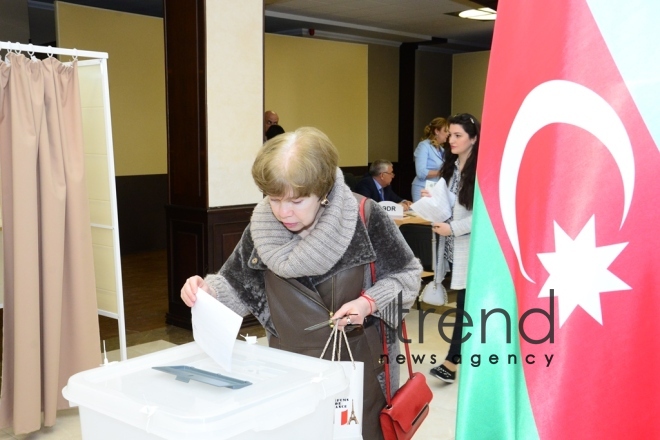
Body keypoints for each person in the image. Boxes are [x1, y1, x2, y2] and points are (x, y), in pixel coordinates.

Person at [181, 127, 422, 439]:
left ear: (322, 191)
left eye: (296, 200)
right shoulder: (263, 227)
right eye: (274, 199)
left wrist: (368, 303)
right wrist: (207, 291)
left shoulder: (363, 216)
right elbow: (237, 286)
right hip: (288, 367)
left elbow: (407, 275)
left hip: (357, 366)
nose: (283, 212)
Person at [422, 113, 479, 384]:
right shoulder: (452, 166)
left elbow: (484, 215)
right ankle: (464, 358)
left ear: (474, 139)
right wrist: (431, 199)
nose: (451, 140)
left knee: (466, 306)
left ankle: (451, 362)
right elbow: (450, 203)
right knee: (469, 306)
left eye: (458, 136)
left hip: (475, 249)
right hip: (454, 247)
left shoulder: (481, 170)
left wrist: (453, 228)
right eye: (450, 135)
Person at [411, 117, 449, 202]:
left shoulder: (442, 150)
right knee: (421, 215)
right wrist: (442, 172)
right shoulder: (424, 146)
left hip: (436, 189)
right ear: (437, 131)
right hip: (422, 188)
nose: (448, 134)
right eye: (445, 131)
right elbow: (421, 172)